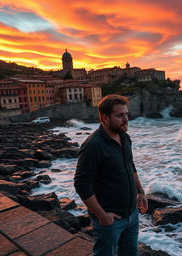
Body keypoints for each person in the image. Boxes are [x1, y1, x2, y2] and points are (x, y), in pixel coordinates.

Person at [74, 94, 148, 256]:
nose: (126, 119)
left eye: (126, 114)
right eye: (120, 115)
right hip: (110, 219)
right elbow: (81, 183)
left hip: (131, 214)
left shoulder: (125, 137)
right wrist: (102, 216)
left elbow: (130, 165)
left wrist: (141, 192)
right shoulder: (93, 146)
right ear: (105, 118)